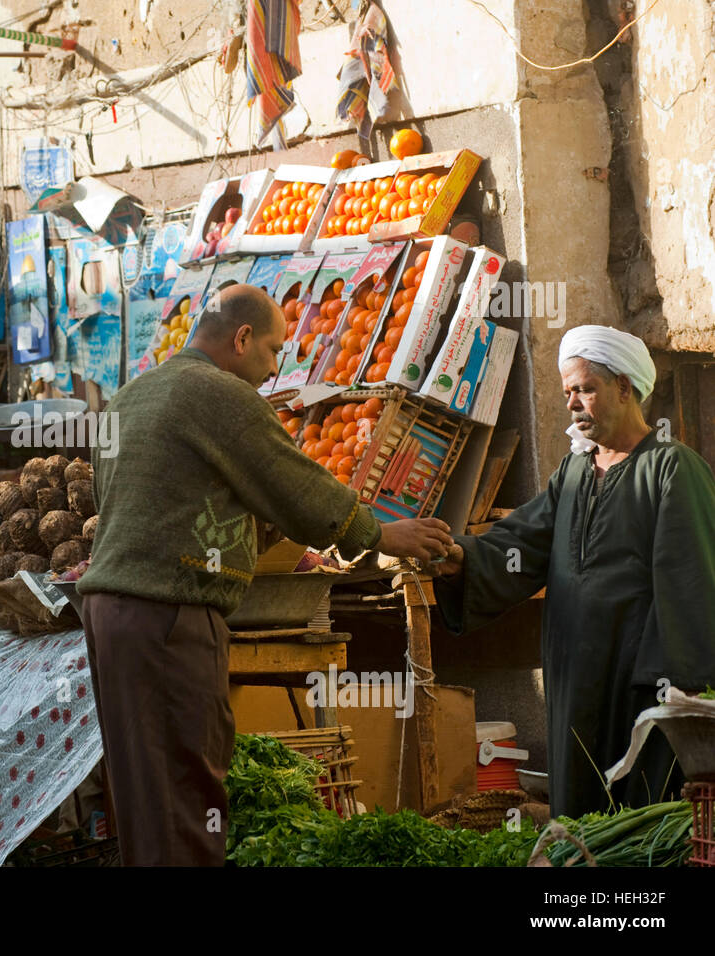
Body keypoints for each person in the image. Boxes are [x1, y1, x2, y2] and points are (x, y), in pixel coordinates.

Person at [76, 284, 456, 866]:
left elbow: (155, 504)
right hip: (168, 617)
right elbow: (295, 483)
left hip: (109, 613)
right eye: (274, 351)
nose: (274, 368)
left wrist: (246, 533)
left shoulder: (132, 395)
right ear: (242, 337)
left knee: (144, 794)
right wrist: (378, 533)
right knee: (189, 785)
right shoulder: (220, 393)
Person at [436, 324, 715, 817]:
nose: (571, 403)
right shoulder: (573, 472)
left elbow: (688, 577)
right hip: (573, 674)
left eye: (584, 389)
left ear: (625, 387)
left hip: (639, 679)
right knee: (580, 805)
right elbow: (523, 541)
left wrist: (680, 680)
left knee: (639, 809)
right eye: (567, 391)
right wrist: (462, 557)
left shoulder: (671, 467)